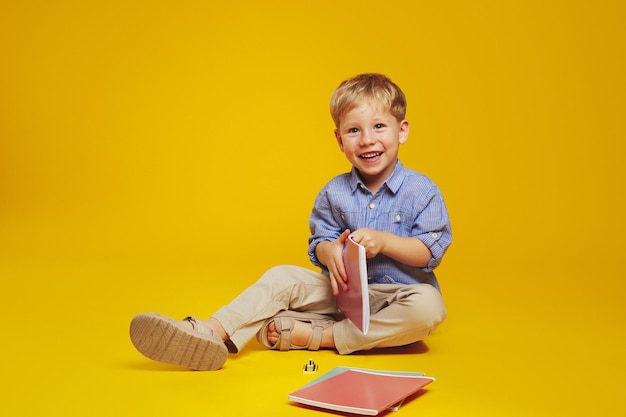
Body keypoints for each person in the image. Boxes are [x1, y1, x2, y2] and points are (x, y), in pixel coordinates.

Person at [129, 73, 452, 371]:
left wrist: (384, 242)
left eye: (379, 127)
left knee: (429, 308)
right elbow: (319, 241)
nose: (367, 140)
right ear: (340, 140)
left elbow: (428, 252)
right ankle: (209, 332)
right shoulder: (333, 192)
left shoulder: (422, 191)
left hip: (397, 298)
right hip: (342, 294)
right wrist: (329, 253)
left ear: (403, 130)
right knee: (282, 276)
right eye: (354, 130)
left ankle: (321, 335)